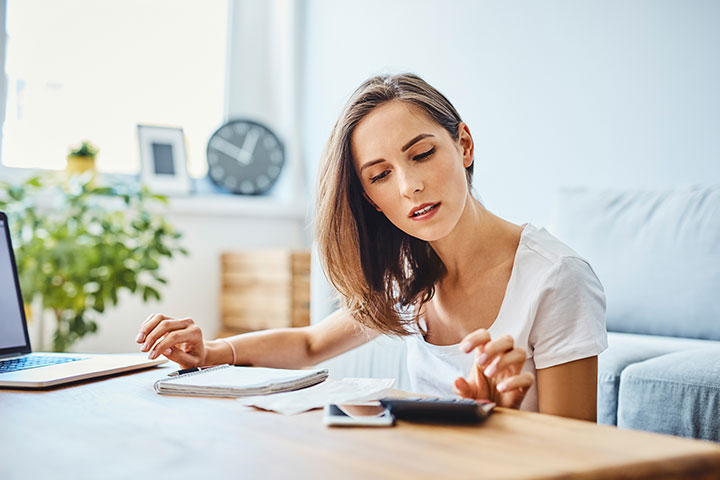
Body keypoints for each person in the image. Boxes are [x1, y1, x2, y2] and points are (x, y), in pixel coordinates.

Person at [136, 73, 607, 420]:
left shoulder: (555, 276)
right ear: (370, 199)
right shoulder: (411, 273)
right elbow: (309, 343)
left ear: (463, 145)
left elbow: (581, 456)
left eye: (422, 154)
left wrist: (502, 417)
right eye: (380, 175)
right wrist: (210, 352)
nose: (409, 186)